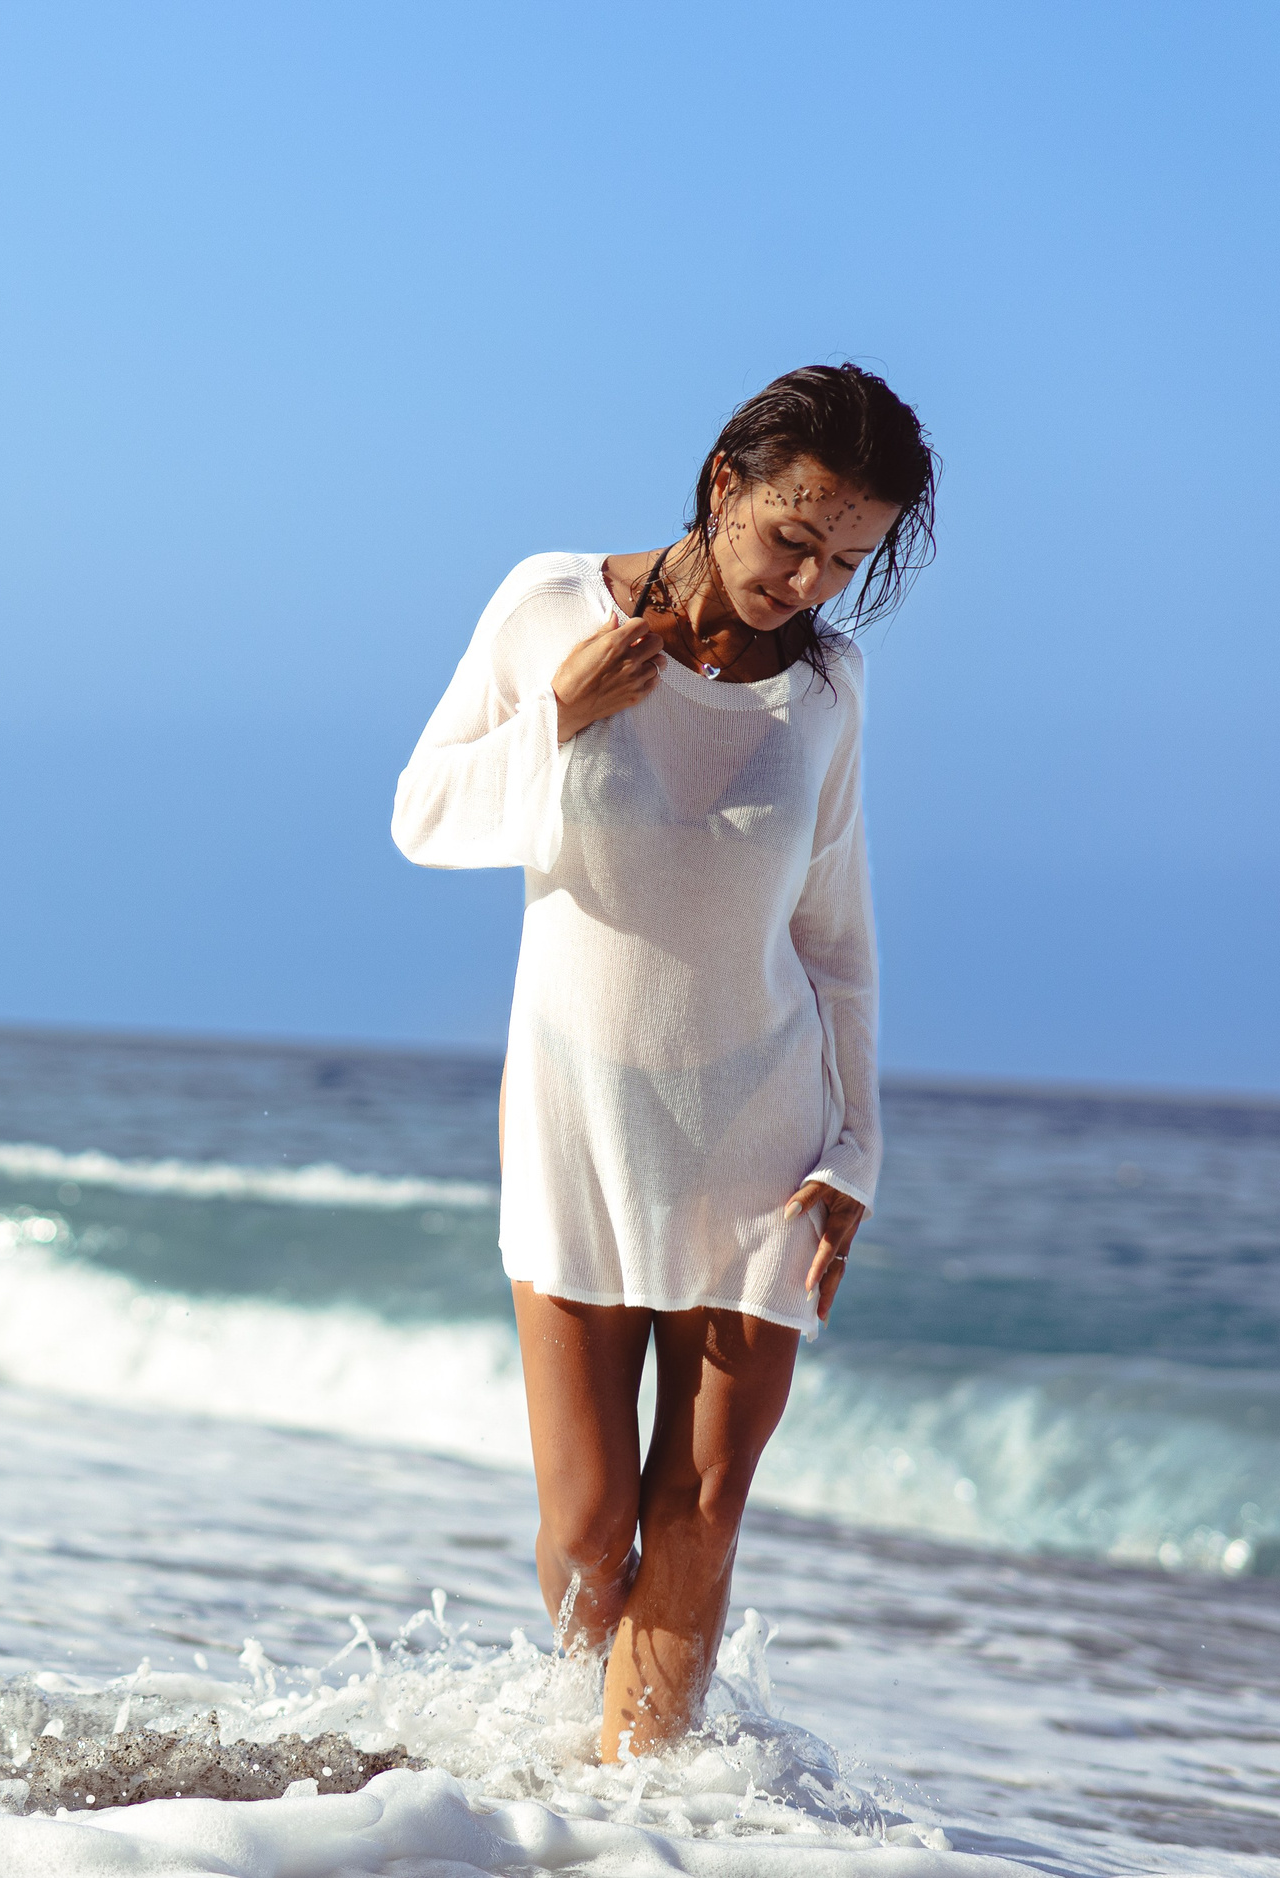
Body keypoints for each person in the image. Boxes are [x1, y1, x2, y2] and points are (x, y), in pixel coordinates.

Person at [389, 365, 937, 1762]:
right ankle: (592, 1746)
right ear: (723, 484)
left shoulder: (829, 690)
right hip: (576, 1117)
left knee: (699, 1506)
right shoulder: (550, 607)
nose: (809, 582)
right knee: (587, 1527)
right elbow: (422, 816)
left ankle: (643, 1817)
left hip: (764, 1131)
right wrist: (558, 715)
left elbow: (836, 937)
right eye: (793, 538)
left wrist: (854, 1155)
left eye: (847, 560)